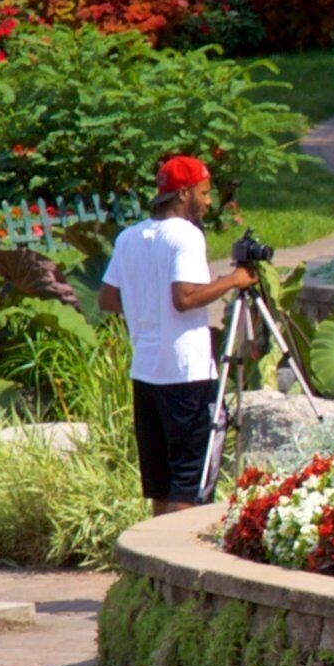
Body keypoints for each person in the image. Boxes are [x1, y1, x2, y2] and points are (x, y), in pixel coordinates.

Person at [96, 153, 260, 514]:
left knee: (160, 483)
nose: (208, 201)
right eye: (203, 192)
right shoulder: (186, 235)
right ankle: (179, 567)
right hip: (186, 375)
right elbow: (184, 297)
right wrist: (234, 280)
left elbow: (107, 299)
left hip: (146, 373)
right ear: (183, 194)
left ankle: (155, 569)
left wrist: (146, 305)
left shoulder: (129, 237)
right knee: (188, 482)